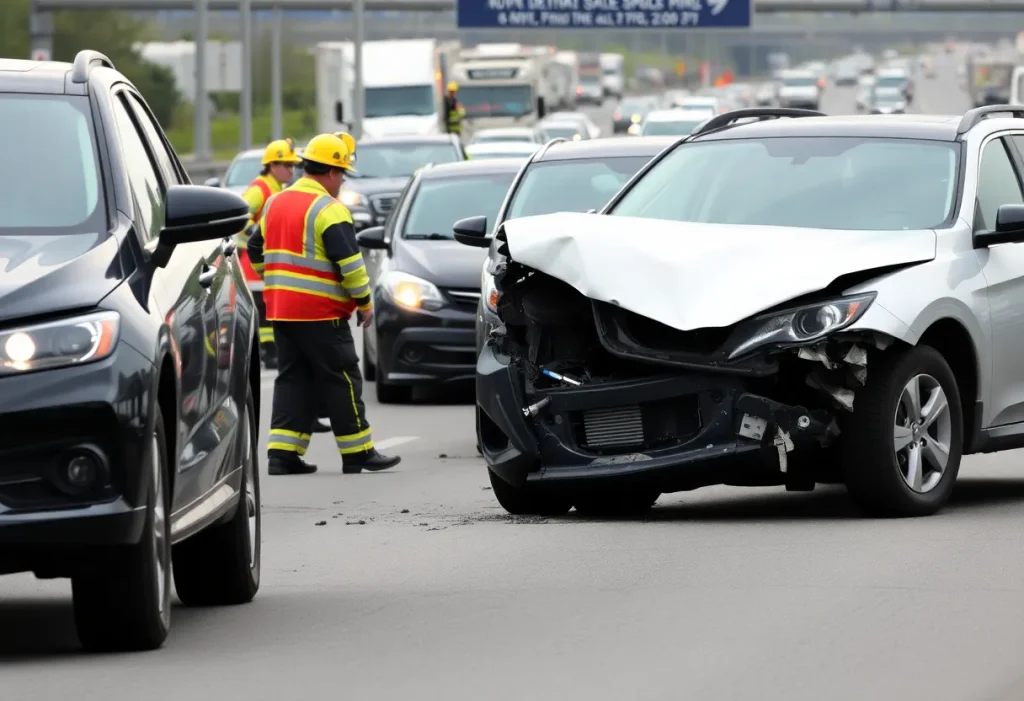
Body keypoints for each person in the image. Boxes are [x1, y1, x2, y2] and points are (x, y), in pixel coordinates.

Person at [248, 133, 402, 476]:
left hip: (282, 311)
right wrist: (364, 304)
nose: (343, 178)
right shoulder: (330, 210)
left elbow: (255, 249)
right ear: (331, 172)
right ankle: (358, 451)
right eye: (343, 172)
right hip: (321, 314)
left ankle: (282, 455)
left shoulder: (276, 202)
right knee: (343, 379)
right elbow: (350, 264)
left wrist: (275, 279)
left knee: (293, 379)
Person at [236, 138, 302, 371]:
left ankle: (272, 350)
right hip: (251, 260)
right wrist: (253, 230)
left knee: (269, 308)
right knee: (263, 310)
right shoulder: (259, 189)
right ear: (273, 166)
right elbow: (239, 218)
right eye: (287, 165)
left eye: (293, 166)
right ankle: (269, 352)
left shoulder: (277, 188)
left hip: (266, 260)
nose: (291, 170)